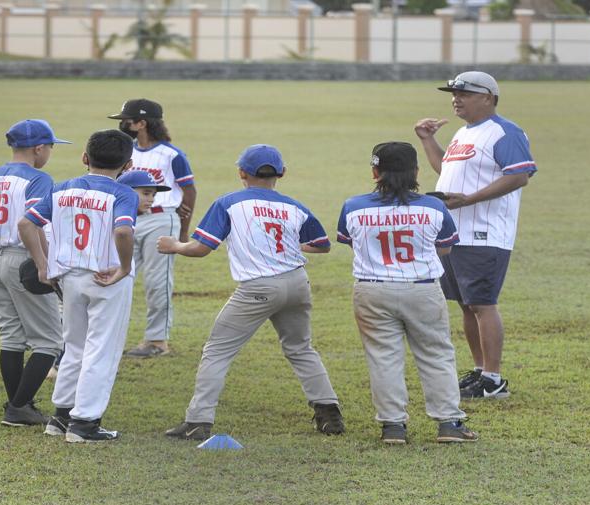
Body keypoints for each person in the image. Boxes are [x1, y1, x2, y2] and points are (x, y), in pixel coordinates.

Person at [157, 144, 343, 441]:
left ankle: (198, 421)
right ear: (281, 173)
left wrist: (174, 246)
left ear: (242, 172)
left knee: (217, 351)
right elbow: (322, 244)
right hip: (297, 283)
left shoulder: (229, 202)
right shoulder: (295, 206)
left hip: (258, 288)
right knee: (300, 348)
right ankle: (330, 413)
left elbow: (201, 248)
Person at [334, 142, 476, 444]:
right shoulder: (434, 206)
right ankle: (449, 423)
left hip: (371, 289)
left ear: (375, 172)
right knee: (436, 354)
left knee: (383, 357)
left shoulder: (353, 205)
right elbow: (446, 246)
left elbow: (350, 241)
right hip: (422, 288)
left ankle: (393, 427)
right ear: (416, 171)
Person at [414, 71, 536, 399]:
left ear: (488, 97)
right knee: (467, 306)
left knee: (482, 304)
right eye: (454, 93)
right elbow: (448, 171)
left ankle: (494, 380)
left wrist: (468, 200)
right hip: (456, 233)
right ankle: (481, 371)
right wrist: (427, 139)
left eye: (464, 93)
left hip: (485, 233)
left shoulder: (504, 132)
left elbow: (520, 176)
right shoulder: (463, 134)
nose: (456, 98)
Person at [19, 129, 136, 443]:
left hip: (69, 277)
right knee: (101, 349)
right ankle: (84, 423)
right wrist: (125, 268)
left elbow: (25, 223)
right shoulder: (123, 193)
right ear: (128, 166)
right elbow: (124, 232)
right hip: (106, 278)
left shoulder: (62, 188)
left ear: (85, 158)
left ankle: (60, 417)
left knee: (74, 346)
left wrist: (44, 265)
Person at [0, 118, 66, 426]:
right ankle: (18, 407)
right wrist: (44, 264)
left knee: (11, 336)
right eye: (51, 147)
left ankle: (18, 405)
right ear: (39, 148)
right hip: (22, 259)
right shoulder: (38, 179)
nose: (50, 153)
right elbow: (30, 224)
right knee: (49, 341)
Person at [109, 98, 195, 358]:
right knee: (113, 274)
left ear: (141, 123)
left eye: (126, 119)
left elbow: (189, 191)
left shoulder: (171, 154)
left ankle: (157, 341)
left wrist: (181, 231)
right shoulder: (126, 151)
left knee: (157, 283)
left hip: (161, 218)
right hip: (127, 219)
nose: (122, 123)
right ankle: (107, 336)